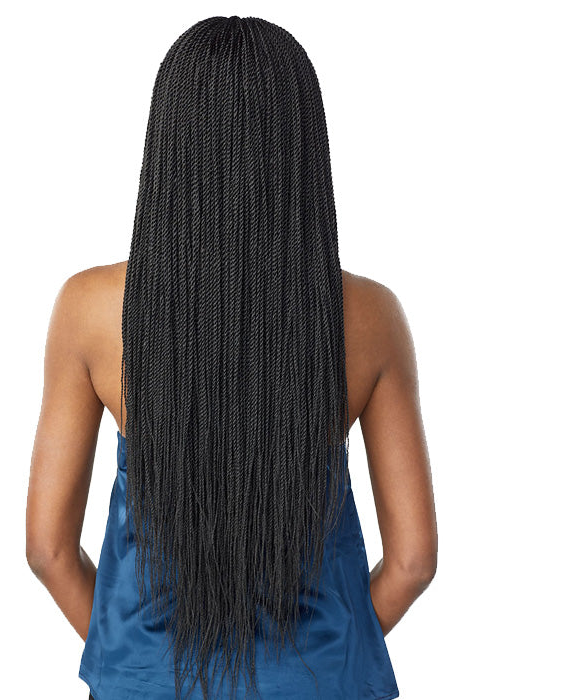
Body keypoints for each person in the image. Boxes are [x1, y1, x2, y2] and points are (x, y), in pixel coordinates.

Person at [26, 15, 437, 700]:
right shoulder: (369, 316)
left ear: (171, 140)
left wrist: (135, 662)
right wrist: (323, 663)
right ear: (301, 144)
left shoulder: (90, 309)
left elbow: (47, 550)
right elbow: (414, 561)